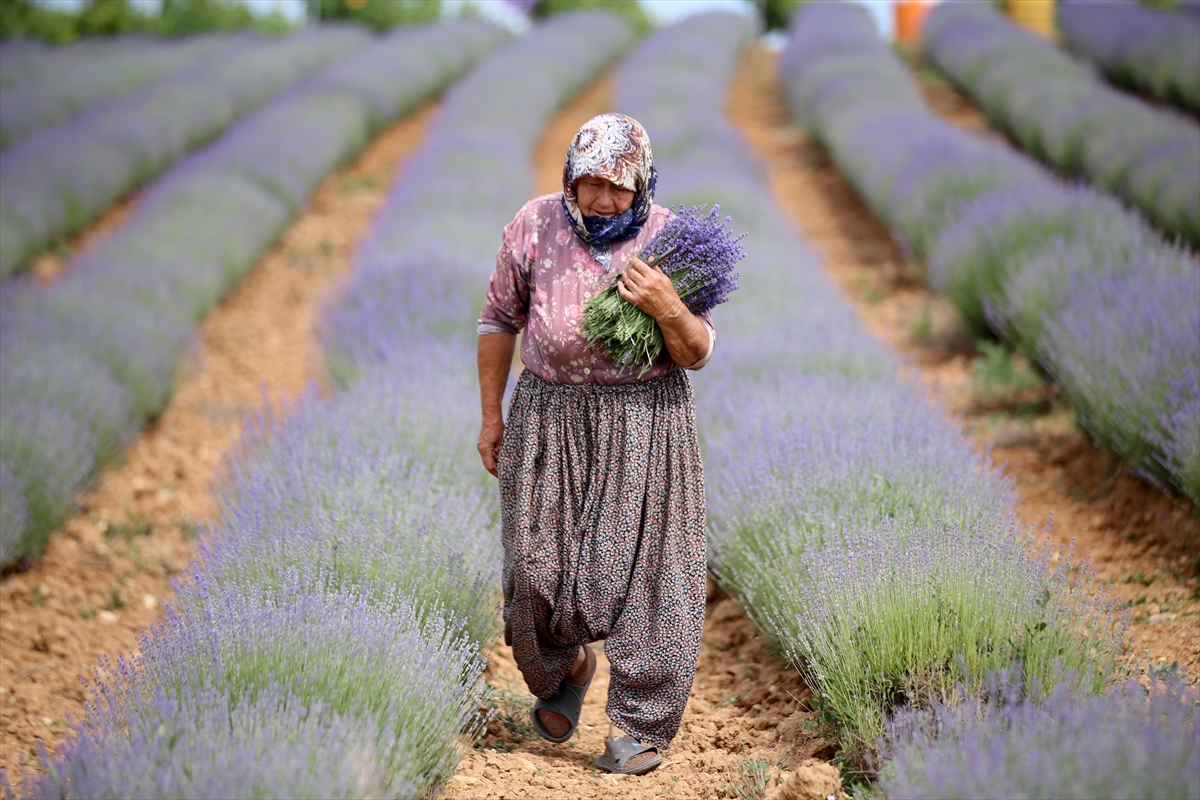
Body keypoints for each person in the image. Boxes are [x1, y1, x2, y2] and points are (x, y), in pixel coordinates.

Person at [475, 113, 714, 776]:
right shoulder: (533, 225)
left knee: (653, 576)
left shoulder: (671, 237)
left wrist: (667, 304)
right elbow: (498, 318)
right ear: (570, 179)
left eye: (619, 186)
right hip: (548, 417)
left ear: (642, 185)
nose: (604, 199)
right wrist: (491, 417)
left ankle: (641, 723)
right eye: (591, 183)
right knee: (532, 566)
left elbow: (696, 352)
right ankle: (564, 667)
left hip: (646, 422)